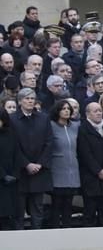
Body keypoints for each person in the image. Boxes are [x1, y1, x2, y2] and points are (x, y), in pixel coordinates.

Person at [10, 88, 53, 229]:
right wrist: (26, 164)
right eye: (27, 98)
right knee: (18, 210)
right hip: (20, 171)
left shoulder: (43, 118)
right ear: (20, 101)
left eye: (32, 98)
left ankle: (38, 239)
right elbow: (12, 146)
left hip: (39, 170)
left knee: (37, 209)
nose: (30, 101)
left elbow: (49, 142)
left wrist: (39, 163)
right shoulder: (12, 119)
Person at [77, 102, 103, 226]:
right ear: (87, 114)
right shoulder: (83, 129)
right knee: (89, 212)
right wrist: (98, 171)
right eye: (95, 111)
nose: (99, 113)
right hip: (91, 178)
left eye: (100, 110)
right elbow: (85, 153)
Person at [49, 100, 81, 228]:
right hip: (57, 169)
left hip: (73, 169)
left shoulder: (75, 126)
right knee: (56, 204)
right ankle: (55, 230)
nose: (67, 110)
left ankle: (68, 231)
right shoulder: (51, 125)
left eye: (68, 108)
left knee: (69, 204)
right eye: (63, 109)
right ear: (57, 111)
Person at [0, 108, 19, 230]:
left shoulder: (10, 133)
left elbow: (17, 153)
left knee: (8, 214)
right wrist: (2, 175)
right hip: (2, 177)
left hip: (11, 179)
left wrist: (15, 173)